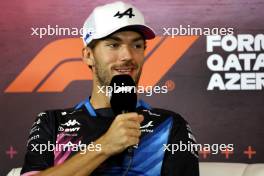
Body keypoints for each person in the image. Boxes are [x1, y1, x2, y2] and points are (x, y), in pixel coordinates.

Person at [21, 1, 199, 176]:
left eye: (137, 45)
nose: (127, 56)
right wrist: (104, 147)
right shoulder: (52, 122)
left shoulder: (169, 124)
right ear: (88, 55)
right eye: (114, 45)